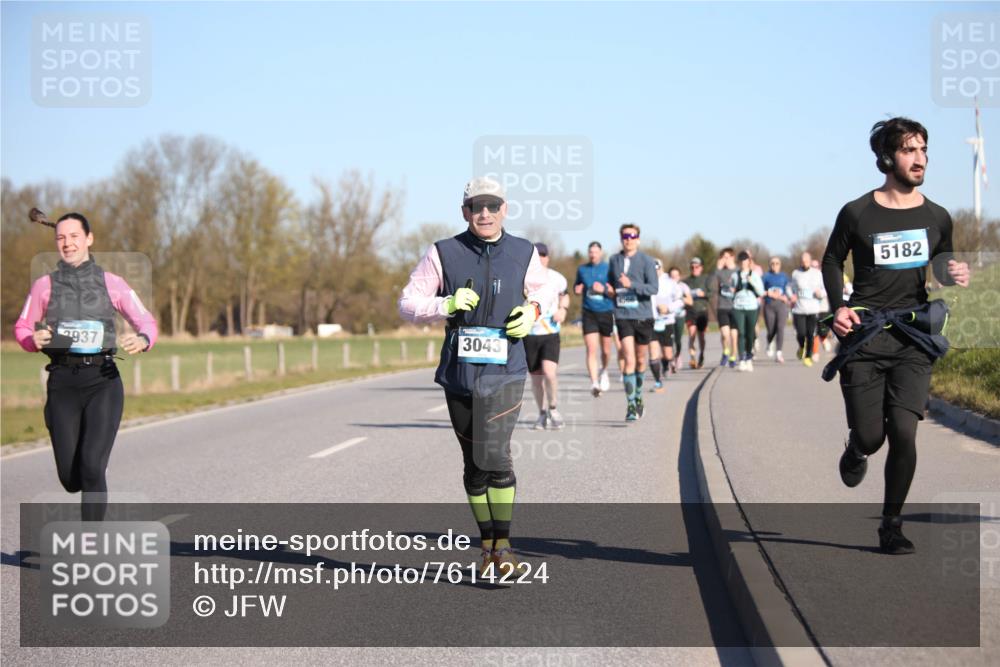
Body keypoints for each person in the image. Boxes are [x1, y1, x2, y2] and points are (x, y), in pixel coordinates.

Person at [822, 117, 969, 554]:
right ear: (887, 158)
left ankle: (891, 524)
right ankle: (856, 449)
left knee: (905, 431)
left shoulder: (938, 216)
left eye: (923, 149)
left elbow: (940, 265)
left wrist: (952, 271)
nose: (920, 158)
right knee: (872, 436)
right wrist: (838, 309)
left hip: (912, 338)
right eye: (909, 150)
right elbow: (832, 261)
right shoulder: (857, 212)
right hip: (865, 337)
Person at [398, 176, 555, 575]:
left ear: (505, 208)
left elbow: (545, 290)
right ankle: (487, 547)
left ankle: (503, 548)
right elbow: (407, 302)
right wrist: (444, 303)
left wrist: (533, 311)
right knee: (473, 464)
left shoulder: (522, 251)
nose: (484, 213)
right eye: (476, 206)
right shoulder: (443, 252)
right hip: (460, 372)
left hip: (506, 369)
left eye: (492, 205)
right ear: (464, 211)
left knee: (496, 457)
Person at [14, 212, 158, 521]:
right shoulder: (44, 286)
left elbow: (146, 320)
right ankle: (91, 469)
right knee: (70, 479)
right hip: (63, 384)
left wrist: (144, 338)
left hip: (102, 381)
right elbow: (22, 328)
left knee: (91, 466)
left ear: (89, 239)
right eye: (61, 238)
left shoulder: (112, 283)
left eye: (74, 236)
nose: (67, 243)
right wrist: (33, 339)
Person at [607, 224, 658, 421]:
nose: (628, 239)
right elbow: (612, 285)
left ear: (638, 238)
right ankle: (630, 405)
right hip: (622, 315)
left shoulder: (647, 261)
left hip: (643, 315)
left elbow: (653, 288)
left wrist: (632, 285)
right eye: (624, 236)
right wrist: (609, 291)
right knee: (628, 358)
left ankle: (638, 396)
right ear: (621, 239)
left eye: (632, 235)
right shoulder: (614, 260)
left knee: (640, 359)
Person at [525, 242, 569, 429]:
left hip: (550, 331)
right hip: (529, 333)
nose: (540, 258)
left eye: (543, 255)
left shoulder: (556, 278)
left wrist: (563, 309)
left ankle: (553, 408)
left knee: (549, 374)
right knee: (536, 378)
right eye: (536, 256)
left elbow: (564, 295)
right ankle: (542, 413)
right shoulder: (522, 277)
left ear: (548, 257)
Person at [574, 241, 615, 397]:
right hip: (588, 312)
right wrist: (576, 290)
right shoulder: (582, 269)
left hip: (606, 312)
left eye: (595, 252)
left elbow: (614, 293)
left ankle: (604, 370)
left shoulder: (609, 269)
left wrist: (604, 289)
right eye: (590, 252)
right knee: (591, 349)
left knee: (605, 350)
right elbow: (577, 286)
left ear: (601, 253)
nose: (593, 254)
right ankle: (594, 383)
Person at [649, 259, 685, 391]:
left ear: (661, 268)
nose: (655, 271)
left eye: (657, 269)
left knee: (668, 354)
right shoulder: (646, 282)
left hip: (667, 321)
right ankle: (657, 381)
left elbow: (680, 301)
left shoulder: (670, 283)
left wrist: (668, 308)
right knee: (653, 352)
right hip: (651, 321)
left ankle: (666, 365)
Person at [789, 251, 825, 367]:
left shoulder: (817, 274)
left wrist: (821, 293)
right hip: (799, 308)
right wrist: (791, 296)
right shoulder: (796, 273)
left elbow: (825, 289)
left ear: (810, 261)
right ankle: (801, 347)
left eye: (806, 261)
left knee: (810, 334)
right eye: (802, 261)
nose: (804, 263)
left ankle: (808, 356)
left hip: (813, 308)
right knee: (801, 333)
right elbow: (789, 288)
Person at [730, 250, 764, 371]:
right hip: (738, 307)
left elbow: (761, 292)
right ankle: (742, 359)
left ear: (749, 261)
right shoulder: (735, 275)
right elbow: (731, 290)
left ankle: (749, 357)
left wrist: (752, 282)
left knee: (750, 334)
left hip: (751, 307)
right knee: (741, 332)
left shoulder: (754, 275)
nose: (743, 263)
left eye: (745, 260)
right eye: (741, 260)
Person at [682, 257, 712, 369]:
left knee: (701, 336)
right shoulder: (686, 281)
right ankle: (692, 358)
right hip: (690, 310)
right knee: (691, 334)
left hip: (702, 311)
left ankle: (702, 355)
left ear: (701, 268)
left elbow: (711, 293)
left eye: (697, 267)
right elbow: (681, 294)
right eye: (692, 267)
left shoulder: (706, 279)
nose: (694, 269)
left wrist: (703, 294)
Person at [762, 256, 791, 363]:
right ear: (770, 265)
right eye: (772, 263)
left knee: (780, 328)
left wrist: (787, 297)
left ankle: (779, 352)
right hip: (769, 305)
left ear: (780, 265)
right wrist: (768, 293)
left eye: (777, 263)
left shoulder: (784, 276)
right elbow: (760, 290)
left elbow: (789, 290)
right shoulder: (766, 276)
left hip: (781, 305)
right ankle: (769, 342)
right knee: (771, 329)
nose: (774, 265)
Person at [713, 248, 738, 368]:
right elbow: (711, 284)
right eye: (723, 257)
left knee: (734, 335)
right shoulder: (719, 272)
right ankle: (725, 351)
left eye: (727, 257)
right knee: (725, 334)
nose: (725, 260)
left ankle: (733, 355)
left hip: (736, 307)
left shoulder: (738, 271)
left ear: (733, 258)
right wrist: (717, 268)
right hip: (722, 306)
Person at [668, 267, 693, 374]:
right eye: (671, 276)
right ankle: (671, 361)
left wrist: (681, 297)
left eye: (676, 275)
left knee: (677, 340)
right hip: (668, 317)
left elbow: (690, 301)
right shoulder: (665, 286)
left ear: (679, 276)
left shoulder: (683, 286)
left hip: (680, 316)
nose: (674, 278)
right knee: (669, 339)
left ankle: (677, 355)